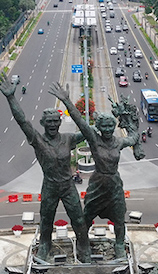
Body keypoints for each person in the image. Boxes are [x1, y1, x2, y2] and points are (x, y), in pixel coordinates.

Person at [0, 73, 91, 263]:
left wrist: (67, 101)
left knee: (79, 221)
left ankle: (83, 246)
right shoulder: (37, 140)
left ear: (60, 122)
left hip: (67, 186)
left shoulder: (68, 139)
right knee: (46, 222)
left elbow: (86, 129)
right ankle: (45, 246)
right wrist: (11, 97)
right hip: (49, 187)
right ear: (42, 124)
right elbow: (22, 121)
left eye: (56, 121)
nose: (53, 124)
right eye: (49, 122)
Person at [51, 83, 144, 259]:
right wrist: (66, 100)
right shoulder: (94, 140)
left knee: (119, 218)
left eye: (111, 126)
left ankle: (118, 245)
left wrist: (131, 123)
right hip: (98, 184)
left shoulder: (118, 142)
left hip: (114, 184)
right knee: (86, 217)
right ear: (99, 127)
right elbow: (79, 121)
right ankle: (82, 244)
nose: (108, 130)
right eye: (105, 127)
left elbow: (133, 138)